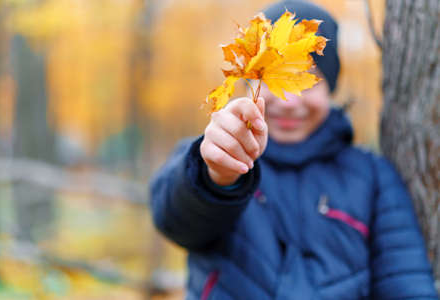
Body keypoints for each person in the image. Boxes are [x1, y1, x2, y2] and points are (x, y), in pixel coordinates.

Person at [149, 1, 438, 299]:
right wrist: (218, 176)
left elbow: (407, 283)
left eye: (306, 81)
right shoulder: (213, 155)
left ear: (331, 88)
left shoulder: (373, 178)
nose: (289, 102)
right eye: (275, 78)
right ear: (251, 81)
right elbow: (174, 219)